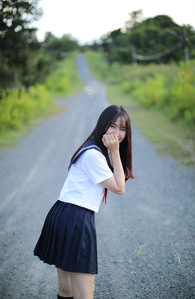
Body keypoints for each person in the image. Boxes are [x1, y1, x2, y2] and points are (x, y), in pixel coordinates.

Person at [33, 104, 136, 299]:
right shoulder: (94, 155)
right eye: (112, 126)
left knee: (67, 289)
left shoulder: (93, 147)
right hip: (75, 219)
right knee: (84, 294)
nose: (117, 133)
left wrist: (112, 151)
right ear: (102, 125)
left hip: (63, 214)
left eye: (123, 129)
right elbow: (119, 188)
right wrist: (114, 150)